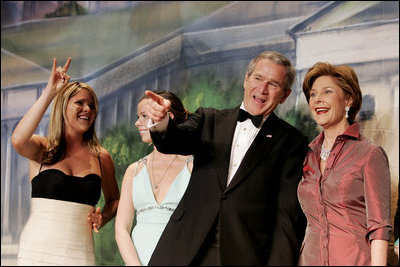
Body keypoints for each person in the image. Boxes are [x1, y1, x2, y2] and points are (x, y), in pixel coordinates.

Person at [144, 51, 308, 265]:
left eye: (273, 84)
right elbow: (173, 141)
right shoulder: (208, 119)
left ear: (285, 95)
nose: (262, 89)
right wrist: (161, 122)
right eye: (258, 78)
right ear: (246, 80)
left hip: (243, 255)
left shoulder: (291, 142)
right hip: (184, 249)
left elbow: (287, 218)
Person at [12, 57, 120, 265]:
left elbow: (114, 200)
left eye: (92, 106)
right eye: (80, 103)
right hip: (37, 251)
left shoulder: (101, 156)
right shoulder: (41, 149)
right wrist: (50, 92)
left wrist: (103, 217)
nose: (87, 109)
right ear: (63, 107)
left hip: (80, 253)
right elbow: (17, 140)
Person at [297, 62, 392, 266]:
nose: (317, 100)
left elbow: (379, 228)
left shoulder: (369, 154)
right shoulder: (306, 155)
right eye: (313, 94)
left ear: (348, 99)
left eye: (327, 92)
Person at [115, 90, 193, 266]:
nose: (137, 123)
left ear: (168, 117)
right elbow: (121, 229)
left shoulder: (193, 167)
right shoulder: (133, 171)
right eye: (138, 116)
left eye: (144, 116)